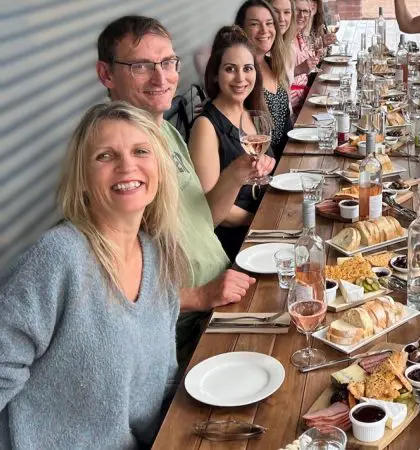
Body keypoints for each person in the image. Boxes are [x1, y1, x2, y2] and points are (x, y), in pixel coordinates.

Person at [0, 102, 186, 448]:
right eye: (105, 156)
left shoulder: (158, 254)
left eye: (140, 151)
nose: (126, 165)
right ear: (83, 179)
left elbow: (161, 383)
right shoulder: (60, 256)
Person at [95, 16, 266, 368]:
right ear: (106, 74)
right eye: (141, 66)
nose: (161, 78)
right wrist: (200, 296)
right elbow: (106, 289)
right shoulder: (113, 160)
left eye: (168, 62)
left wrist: (235, 175)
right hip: (183, 335)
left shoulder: (168, 133)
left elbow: (205, 219)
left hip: (225, 291)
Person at [189, 26, 274, 261]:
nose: (240, 78)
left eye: (247, 69)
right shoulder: (206, 126)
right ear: (215, 74)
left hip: (262, 220)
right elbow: (210, 207)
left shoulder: (250, 111)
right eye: (230, 69)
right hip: (235, 243)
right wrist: (257, 219)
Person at [235, 0, 292, 160]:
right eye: (255, 24)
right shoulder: (242, 76)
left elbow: (286, 122)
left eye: (269, 23)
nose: (264, 30)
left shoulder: (273, 64)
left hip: (288, 157)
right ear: (241, 30)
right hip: (263, 165)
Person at [283, 0, 319, 112]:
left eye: (305, 11)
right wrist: (299, 69)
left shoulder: (299, 36)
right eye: (297, 10)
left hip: (305, 100)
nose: (302, 15)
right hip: (291, 106)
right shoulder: (282, 40)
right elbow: (275, 79)